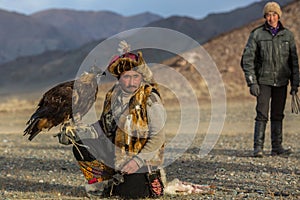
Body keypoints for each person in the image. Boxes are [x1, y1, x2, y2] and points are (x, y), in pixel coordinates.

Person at [57, 45, 166, 198]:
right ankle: (102, 182)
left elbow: (158, 137)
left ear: (141, 77)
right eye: (127, 77)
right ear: (119, 78)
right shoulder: (112, 96)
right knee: (81, 146)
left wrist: (137, 161)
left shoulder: (150, 98)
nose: (131, 82)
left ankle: (151, 178)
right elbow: (104, 126)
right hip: (116, 155)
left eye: (136, 77)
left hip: (142, 161)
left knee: (129, 193)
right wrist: (77, 133)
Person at [241, 1, 299, 157]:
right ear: (265, 17)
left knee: (278, 114)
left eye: (274, 14)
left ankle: (276, 147)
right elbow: (247, 60)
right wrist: (252, 81)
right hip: (263, 81)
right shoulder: (257, 34)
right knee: (262, 114)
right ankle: (258, 148)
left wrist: (295, 83)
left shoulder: (288, 35)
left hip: (281, 81)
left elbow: (293, 61)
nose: (271, 18)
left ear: (279, 16)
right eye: (268, 15)